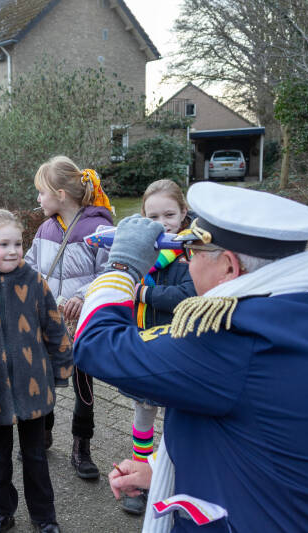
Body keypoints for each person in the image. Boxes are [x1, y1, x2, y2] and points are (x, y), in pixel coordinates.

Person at [74, 182, 308, 531]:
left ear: (229, 267)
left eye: (193, 254)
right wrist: (166, 471)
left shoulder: (237, 336)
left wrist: (122, 266)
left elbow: (96, 343)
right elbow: (275, 440)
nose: (190, 264)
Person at [0, 210, 74, 533]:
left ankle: (45, 518)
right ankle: (1, 513)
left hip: (33, 387)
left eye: (18, 243)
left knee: (36, 458)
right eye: (2, 244)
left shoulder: (34, 281)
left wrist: (62, 369)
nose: (12, 251)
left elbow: (54, 326)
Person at [24, 155, 113, 479]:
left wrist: (82, 294)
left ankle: (82, 446)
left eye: (42, 192)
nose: (38, 199)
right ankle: (43, 433)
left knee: (83, 384)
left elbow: (112, 272)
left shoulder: (100, 229)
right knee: (43, 377)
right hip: (48, 320)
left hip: (83, 323)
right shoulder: (45, 228)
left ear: (61, 193)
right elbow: (30, 265)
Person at [120, 179, 195, 515]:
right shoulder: (143, 253)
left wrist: (144, 293)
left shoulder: (190, 253)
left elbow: (188, 297)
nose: (162, 221)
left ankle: (173, 477)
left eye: (169, 214)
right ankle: (139, 476)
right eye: (153, 215)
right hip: (145, 347)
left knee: (176, 420)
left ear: (183, 214)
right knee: (143, 415)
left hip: (178, 350)